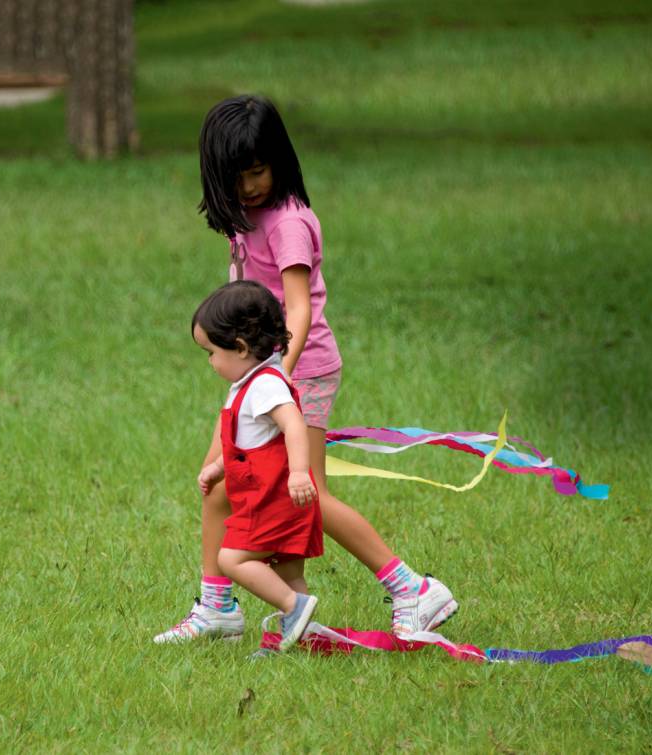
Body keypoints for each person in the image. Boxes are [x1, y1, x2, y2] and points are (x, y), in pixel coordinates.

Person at [154, 95, 457, 644]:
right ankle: (221, 606)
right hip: (260, 373)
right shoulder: (244, 218)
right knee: (219, 484)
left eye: (258, 171)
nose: (249, 186)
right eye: (238, 176)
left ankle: (412, 587)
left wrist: (277, 380)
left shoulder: (288, 223)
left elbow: (298, 309)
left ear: (280, 161)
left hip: (299, 372)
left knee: (307, 491)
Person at [188, 280, 321, 651]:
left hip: (274, 500)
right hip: (282, 500)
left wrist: (297, 472)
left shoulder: (265, 384)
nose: (211, 362)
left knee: (230, 558)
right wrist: (217, 468)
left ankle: (294, 608)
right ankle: (300, 637)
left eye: (211, 352)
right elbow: (247, 443)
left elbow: (294, 424)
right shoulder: (252, 379)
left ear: (241, 348)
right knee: (288, 572)